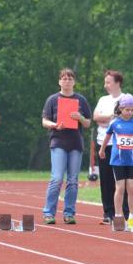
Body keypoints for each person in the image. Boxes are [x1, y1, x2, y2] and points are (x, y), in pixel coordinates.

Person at [41, 68, 92, 225]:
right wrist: (55, 125)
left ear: (74, 82)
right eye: (64, 78)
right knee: (57, 178)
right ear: (59, 81)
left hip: (75, 143)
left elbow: (88, 123)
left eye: (70, 78)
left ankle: (69, 213)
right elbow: (44, 121)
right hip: (58, 142)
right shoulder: (52, 99)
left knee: (73, 180)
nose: (67, 81)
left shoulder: (81, 100)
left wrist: (80, 117)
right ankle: (49, 213)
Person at [98, 94, 133, 231]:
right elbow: (107, 137)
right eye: (127, 110)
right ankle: (118, 217)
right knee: (120, 188)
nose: (130, 112)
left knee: (131, 188)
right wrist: (102, 150)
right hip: (118, 161)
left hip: (132, 161)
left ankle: (132, 218)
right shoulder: (114, 123)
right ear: (120, 109)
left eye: (132, 110)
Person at [93, 70, 129, 224]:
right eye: (105, 82)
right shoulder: (103, 99)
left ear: (117, 83)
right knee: (106, 179)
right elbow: (96, 117)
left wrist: (107, 120)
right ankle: (108, 212)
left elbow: (126, 118)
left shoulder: (126, 99)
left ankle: (126, 212)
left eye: (108, 82)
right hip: (103, 144)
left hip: (120, 145)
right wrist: (110, 117)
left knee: (121, 180)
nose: (105, 85)